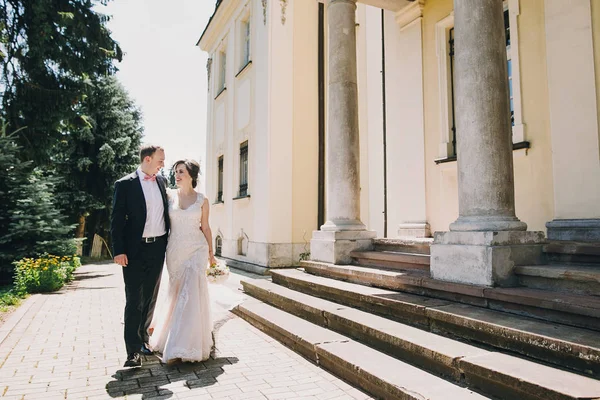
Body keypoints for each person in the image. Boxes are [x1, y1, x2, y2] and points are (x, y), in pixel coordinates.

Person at [148, 159, 219, 364]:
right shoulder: (169, 196)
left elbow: (205, 227)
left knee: (192, 293)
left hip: (197, 249)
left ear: (192, 175)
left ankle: (186, 345)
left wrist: (211, 254)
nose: (177, 175)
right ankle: (172, 335)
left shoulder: (202, 200)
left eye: (181, 172)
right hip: (175, 250)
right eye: (175, 171)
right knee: (177, 293)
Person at [110, 144, 169, 368]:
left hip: (158, 248)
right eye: (160, 160)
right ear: (147, 159)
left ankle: (144, 340)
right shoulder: (125, 184)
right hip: (134, 250)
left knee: (150, 298)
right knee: (134, 299)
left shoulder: (162, 182)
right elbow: (116, 219)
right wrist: (119, 250)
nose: (163, 164)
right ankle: (132, 351)